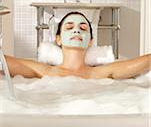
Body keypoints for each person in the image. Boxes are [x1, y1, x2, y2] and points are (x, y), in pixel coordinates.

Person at [4, 12, 151, 79]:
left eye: (83, 28)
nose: (76, 30)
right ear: (58, 39)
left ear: (90, 41)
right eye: (69, 27)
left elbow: (145, 62)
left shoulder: (101, 73)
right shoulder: (45, 71)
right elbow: (3, 62)